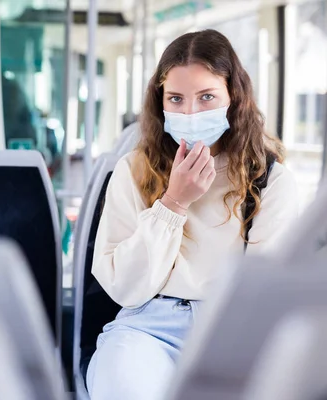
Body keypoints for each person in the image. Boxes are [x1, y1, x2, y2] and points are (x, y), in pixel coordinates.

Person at [85, 29, 299, 400]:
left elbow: (267, 293)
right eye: (176, 99)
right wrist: (172, 203)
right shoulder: (133, 170)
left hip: (232, 331)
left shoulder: (271, 180)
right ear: (161, 102)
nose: (190, 113)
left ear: (233, 99)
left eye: (207, 98)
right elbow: (125, 287)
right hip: (149, 327)